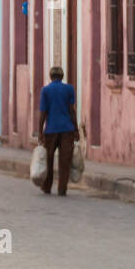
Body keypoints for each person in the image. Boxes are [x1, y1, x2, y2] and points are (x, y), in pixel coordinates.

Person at [37, 66, 79, 196]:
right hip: (67, 129)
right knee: (64, 161)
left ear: (50, 77)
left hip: (51, 130)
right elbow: (72, 110)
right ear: (62, 77)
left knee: (48, 160)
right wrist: (76, 129)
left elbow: (43, 112)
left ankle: (47, 187)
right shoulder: (69, 89)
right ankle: (62, 188)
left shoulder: (45, 91)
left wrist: (40, 131)